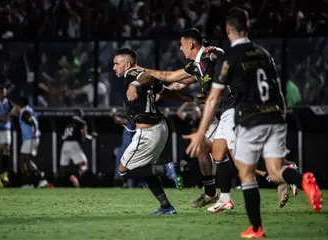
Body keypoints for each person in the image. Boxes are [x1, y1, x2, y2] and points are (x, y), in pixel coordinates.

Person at [184, 7, 323, 238]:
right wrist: (281, 116)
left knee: (246, 173)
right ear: (247, 28)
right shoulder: (263, 53)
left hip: (249, 117)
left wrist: (200, 132)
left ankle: (256, 228)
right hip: (275, 116)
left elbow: (213, 98)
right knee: (276, 170)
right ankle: (303, 181)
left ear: (228, 31)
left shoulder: (229, 58)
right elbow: (277, 90)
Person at [135, 28, 227, 208]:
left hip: (229, 111)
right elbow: (176, 80)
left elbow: (222, 55)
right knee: (203, 147)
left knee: (229, 153)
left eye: (182, 44)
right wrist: (160, 93)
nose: (180, 48)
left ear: (191, 44)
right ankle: (210, 192)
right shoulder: (197, 66)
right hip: (217, 112)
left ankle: (280, 174)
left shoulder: (209, 56)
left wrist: (142, 69)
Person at [113, 48, 197, 215]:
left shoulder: (133, 74)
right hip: (159, 128)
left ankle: (166, 169)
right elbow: (167, 92)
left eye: (117, 64)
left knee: (124, 170)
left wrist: (134, 85)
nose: (114, 67)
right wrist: (193, 99)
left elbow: (144, 77)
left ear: (127, 64)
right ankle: (166, 206)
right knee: (145, 169)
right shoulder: (141, 76)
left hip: (148, 132)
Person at [14, 97, 47, 188]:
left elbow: (34, 122)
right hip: (30, 138)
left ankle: (35, 181)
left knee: (24, 161)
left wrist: (35, 132)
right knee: (26, 161)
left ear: (20, 105)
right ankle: (35, 181)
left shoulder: (25, 112)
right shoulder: (28, 110)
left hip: (30, 138)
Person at [60, 109, 93, 187]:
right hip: (74, 144)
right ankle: (76, 177)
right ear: (80, 115)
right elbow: (84, 136)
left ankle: (68, 179)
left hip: (64, 144)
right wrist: (91, 137)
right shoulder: (82, 122)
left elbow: (63, 135)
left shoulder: (68, 121)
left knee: (63, 166)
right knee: (84, 164)